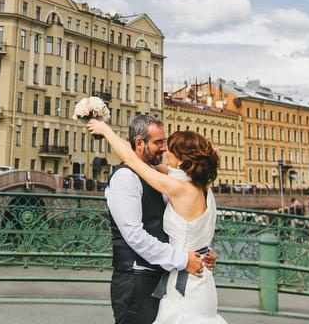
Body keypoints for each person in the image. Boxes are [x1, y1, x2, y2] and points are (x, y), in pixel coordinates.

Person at [91, 114, 219, 324]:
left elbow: (132, 157)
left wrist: (105, 130)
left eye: (168, 145)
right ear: (140, 143)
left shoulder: (175, 184)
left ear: (184, 159)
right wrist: (200, 253)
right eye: (159, 142)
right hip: (142, 279)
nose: (164, 149)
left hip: (177, 277)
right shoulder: (200, 187)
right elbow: (134, 234)